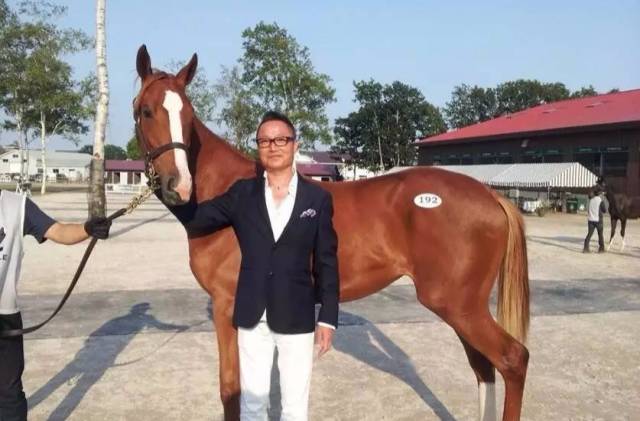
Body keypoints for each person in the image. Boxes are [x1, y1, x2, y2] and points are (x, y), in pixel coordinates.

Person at [168, 111, 339, 421]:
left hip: (297, 316)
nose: (273, 146)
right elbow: (197, 219)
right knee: (252, 406)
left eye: (281, 140)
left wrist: (327, 318)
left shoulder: (317, 199)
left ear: (295, 145)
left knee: (294, 408)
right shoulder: (242, 194)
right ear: (258, 148)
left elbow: (326, 261)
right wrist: (168, 189)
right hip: (251, 317)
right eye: (264, 141)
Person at [0, 189, 112, 421]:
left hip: (5, 317)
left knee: (10, 395)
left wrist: (87, 229)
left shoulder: (16, 205)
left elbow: (58, 231)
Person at [583, 187, 607, 253]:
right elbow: (604, 210)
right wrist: (603, 201)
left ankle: (585, 248)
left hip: (590, 220)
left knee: (589, 234)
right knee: (600, 235)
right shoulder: (600, 200)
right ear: (599, 193)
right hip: (598, 220)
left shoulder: (591, 200)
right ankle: (601, 249)